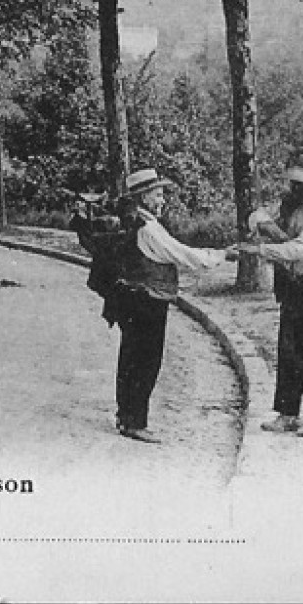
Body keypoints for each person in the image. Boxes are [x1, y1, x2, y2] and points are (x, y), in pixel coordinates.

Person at [78, 168, 231, 444]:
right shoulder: (147, 228)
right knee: (146, 361)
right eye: (158, 194)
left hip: (130, 297)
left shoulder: (134, 222)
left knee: (130, 358)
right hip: (147, 300)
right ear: (143, 197)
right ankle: (135, 422)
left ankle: (126, 416)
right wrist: (220, 255)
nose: (162, 200)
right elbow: (182, 254)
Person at [232, 153, 303, 438]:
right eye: (293, 182)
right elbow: (258, 218)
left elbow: (302, 249)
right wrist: (266, 227)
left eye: (300, 183)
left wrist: (261, 249)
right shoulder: (292, 208)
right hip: (295, 285)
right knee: (290, 350)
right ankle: (288, 413)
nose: (293, 188)